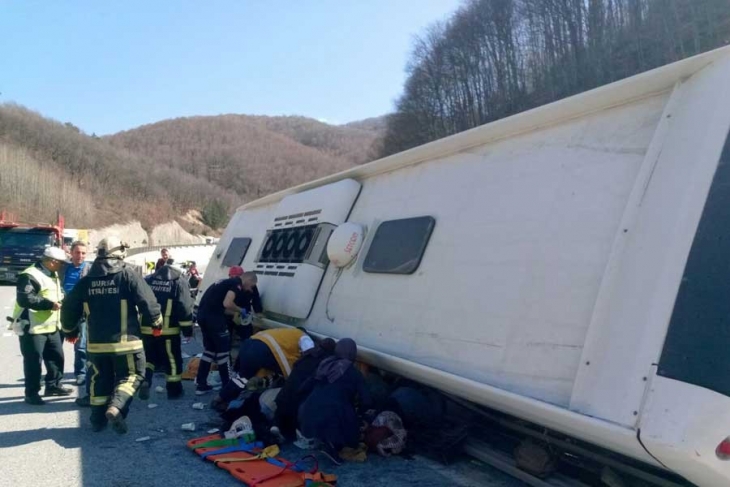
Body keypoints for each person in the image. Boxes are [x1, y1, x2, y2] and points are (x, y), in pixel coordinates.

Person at [61, 237, 162, 434]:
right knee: (133, 375)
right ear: (120, 253)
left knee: (100, 380)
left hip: (96, 346)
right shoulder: (128, 275)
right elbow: (148, 303)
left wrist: (70, 330)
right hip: (126, 344)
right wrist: (156, 323)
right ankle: (117, 407)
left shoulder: (86, 280)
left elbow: (69, 308)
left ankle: (97, 421)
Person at [12, 246, 71, 405]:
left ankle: (53, 386)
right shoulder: (30, 275)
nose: (63, 265)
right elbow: (25, 299)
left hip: (52, 326)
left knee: (56, 358)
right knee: (33, 361)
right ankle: (31, 393)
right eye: (61, 263)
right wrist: (49, 305)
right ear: (52, 262)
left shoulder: (52, 273)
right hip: (32, 327)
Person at [298, 338, 372, 465]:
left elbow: (303, 388)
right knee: (346, 416)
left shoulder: (324, 365)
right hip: (331, 415)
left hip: (306, 414)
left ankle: (323, 438)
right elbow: (367, 400)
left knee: (330, 406)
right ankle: (332, 444)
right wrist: (363, 416)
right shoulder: (353, 372)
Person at [195, 271, 259, 395]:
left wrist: (237, 313)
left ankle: (201, 385)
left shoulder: (224, 282)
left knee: (209, 351)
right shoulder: (237, 284)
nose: (251, 290)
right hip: (214, 320)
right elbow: (227, 303)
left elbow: (221, 307)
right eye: (252, 286)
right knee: (223, 352)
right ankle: (227, 386)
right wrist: (241, 309)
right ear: (248, 280)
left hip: (203, 316)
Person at [139, 260, 194, 400]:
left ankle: (146, 380)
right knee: (172, 359)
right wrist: (187, 329)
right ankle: (174, 390)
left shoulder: (148, 280)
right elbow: (184, 307)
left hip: (146, 327)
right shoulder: (179, 282)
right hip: (168, 330)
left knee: (148, 357)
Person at [214, 327, 306, 406]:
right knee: (241, 380)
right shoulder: (303, 336)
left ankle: (223, 398)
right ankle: (220, 399)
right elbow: (304, 358)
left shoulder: (283, 334)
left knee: (240, 377)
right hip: (259, 352)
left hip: (248, 344)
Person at [271, 337, 336, 441]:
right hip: (298, 396)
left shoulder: (308, 355)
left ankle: (276, 425)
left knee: (282, 408)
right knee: (294, 410)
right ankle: (289, 435)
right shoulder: (325, 362)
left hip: (283, 393)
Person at [58, 241, 91, 406]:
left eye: (83, 253)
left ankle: (81, 373)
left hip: (80, 313)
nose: (80, 256)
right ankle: (55, 378)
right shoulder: (63, 268)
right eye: (77, 252)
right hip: (60, 310)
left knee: (80, 346)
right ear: (71, 253)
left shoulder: (89, 269)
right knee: (56, 346)